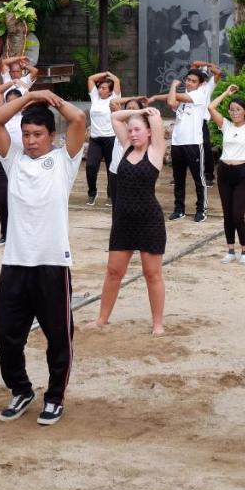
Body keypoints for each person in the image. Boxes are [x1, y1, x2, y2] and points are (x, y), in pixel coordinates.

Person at [0, 89, 87, 426]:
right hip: (15, 263)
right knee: (7, 333)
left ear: (51, 136)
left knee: (59, 336)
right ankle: (20, 389)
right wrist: (28, 97)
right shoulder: (12, 160)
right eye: (26, 134)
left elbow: (79, 119)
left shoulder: (63, 161)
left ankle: (55, 397)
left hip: (52, 264)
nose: (30, 141)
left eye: (37, 134)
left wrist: (52, 99)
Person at [93, 105, 168, 334]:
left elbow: (156, 119)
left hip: (149, 221)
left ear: (148, 132)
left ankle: (157, 324)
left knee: (151, 273)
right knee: (113, 272)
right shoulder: (126, 147)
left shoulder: (155, 151)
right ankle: (102, 319)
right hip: (123, 221)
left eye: (137, 130)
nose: (133, 134)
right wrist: (140, 110)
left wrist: (148, 115)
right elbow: (115, 116)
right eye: (131, 130)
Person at [161, 61, 221, 222]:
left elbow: (217, 73)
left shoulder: (200, 94)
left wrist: (173, 85)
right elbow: (172, 103)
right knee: (178, 178)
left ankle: (201, 210)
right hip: (177, 143)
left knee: (198, 178)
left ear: (201, 84)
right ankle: (179, 209)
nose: (189, 83)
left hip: (193, 143)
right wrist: (174, 89)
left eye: (193, 81)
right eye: (188, 80)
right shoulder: (183, 98)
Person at [209, 84, 245, 263]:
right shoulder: (226, 126)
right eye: (231, 110)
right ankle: (230, 249)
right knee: (227, 213)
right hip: (224, 171)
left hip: (242, 172)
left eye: (237, 110)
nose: (234, 113)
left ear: (244, 111)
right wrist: (226, 93)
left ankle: (244, 250)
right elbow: (211, 107)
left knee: (238, 214)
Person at [0, 84, 26, 246]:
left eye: (16, 102)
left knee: (23, 201)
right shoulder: (1, 118)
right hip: (3, 163)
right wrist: (14, 81)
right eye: (9, 102)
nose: (12, 105)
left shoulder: (27, 118)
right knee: (1, 200)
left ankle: (23, 234)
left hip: (23, 163)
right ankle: (6, 233)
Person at [85, 70, 122, 205]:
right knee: (90, 166)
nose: (100, 90)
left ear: (110, 91)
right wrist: (104, 74)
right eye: (100, 87)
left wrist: (110, 75)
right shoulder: (95, 98)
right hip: (95, 139)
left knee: (111, 169)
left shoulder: (114, 99)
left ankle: (111, 196)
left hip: (110, 138)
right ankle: (92, 193)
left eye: (104, 88)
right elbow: (90, 78)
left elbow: (117, 81)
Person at [106, 96, 146, 209]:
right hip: (115, 172)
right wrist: (136, 98)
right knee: (116, 207)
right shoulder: (119, 123)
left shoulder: (141, 130)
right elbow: (113, 102)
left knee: (131, 207)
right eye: (129, 109)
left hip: (131, 173)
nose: (131, 111)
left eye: (134, 109)